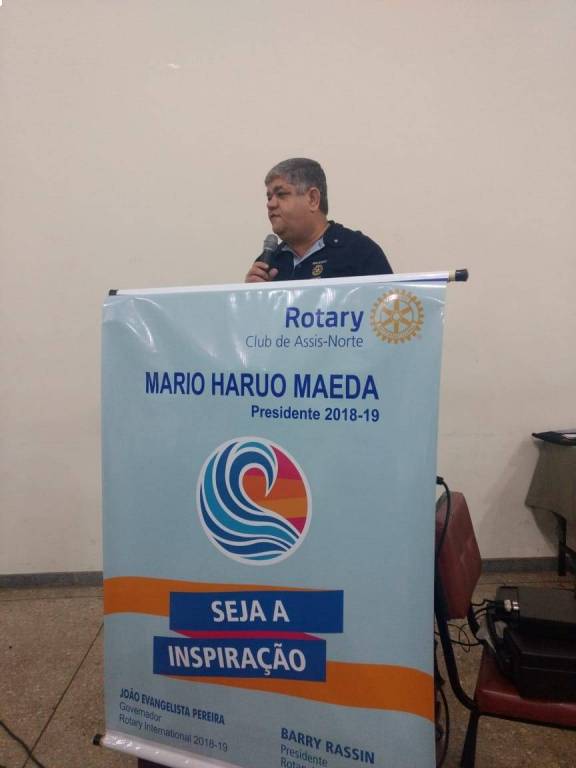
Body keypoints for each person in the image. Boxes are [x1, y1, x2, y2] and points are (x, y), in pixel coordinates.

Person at [245, 158, 392, 282]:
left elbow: (387, 305)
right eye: (269, 197)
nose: (270, 204)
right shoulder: (268, 264)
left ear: (313, 199)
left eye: (281, 194)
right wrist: (249, 295)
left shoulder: (358, 252)